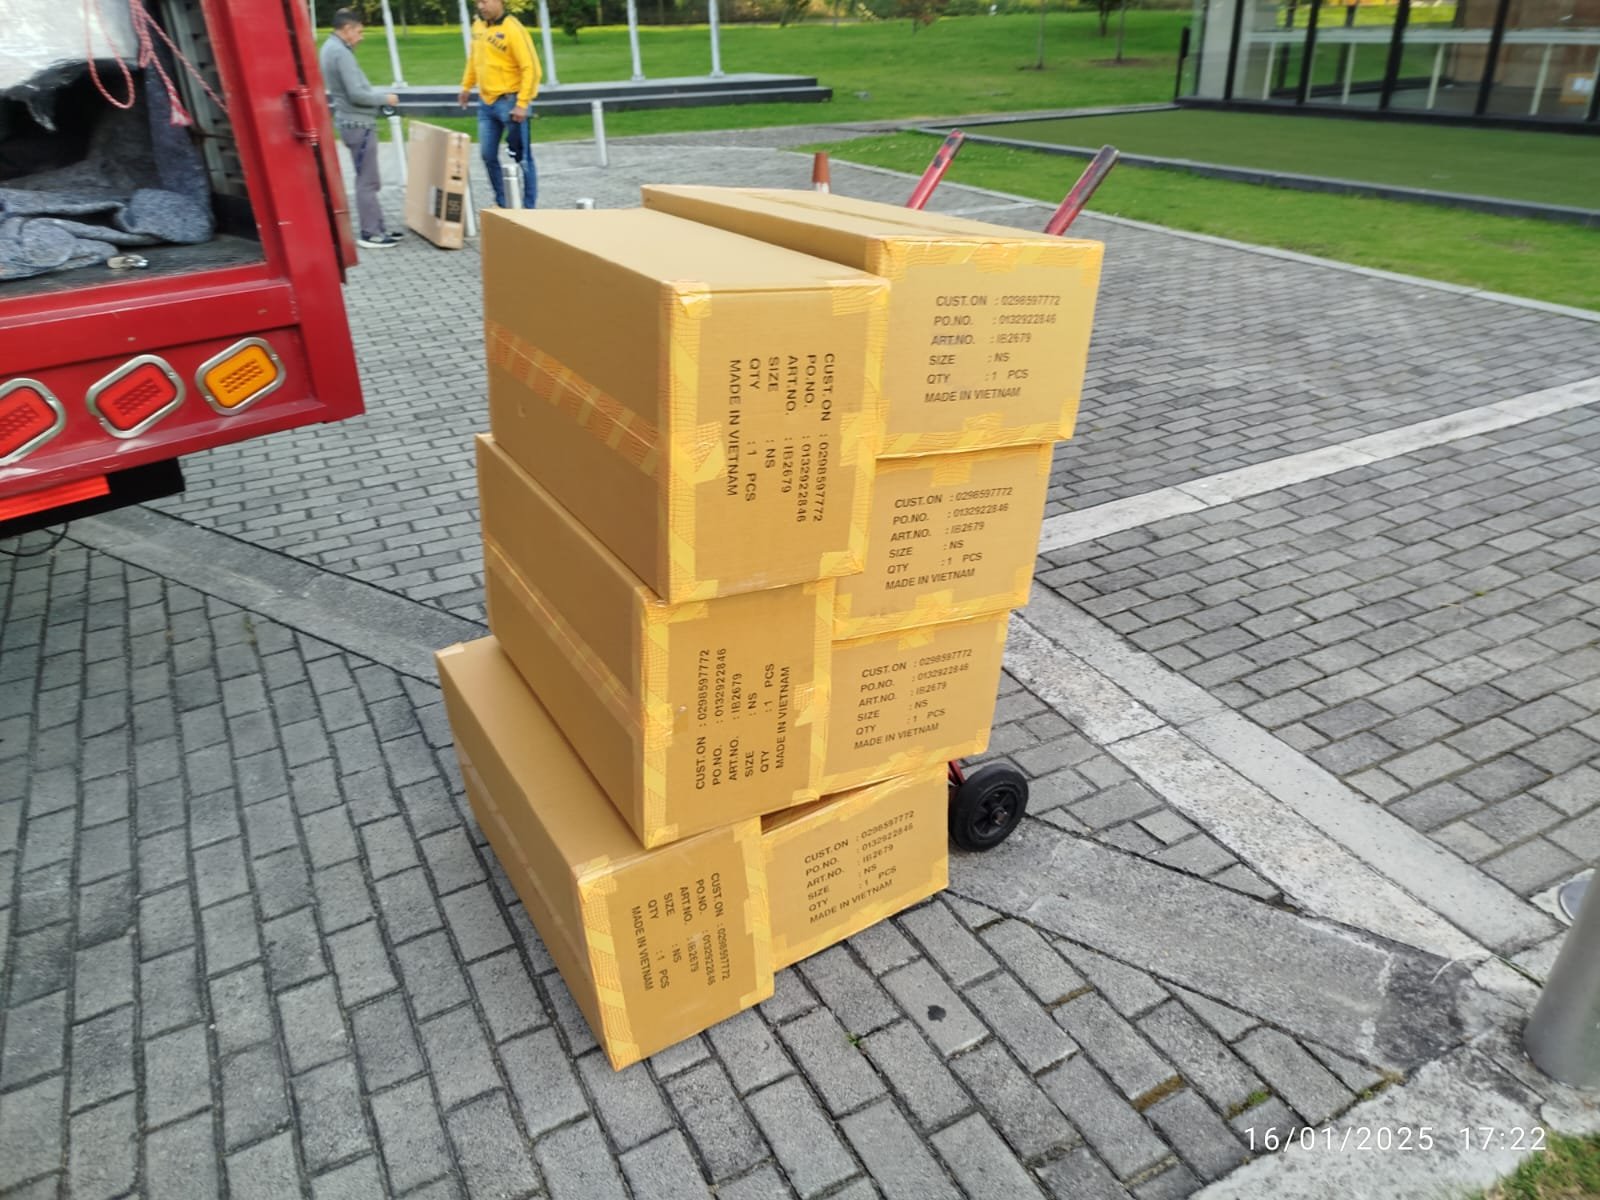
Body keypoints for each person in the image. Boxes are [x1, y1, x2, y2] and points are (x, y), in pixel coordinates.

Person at [319, 9, 402, 249]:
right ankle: (371, 233)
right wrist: (385, 98)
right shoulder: (340, 53)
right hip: (358, 124)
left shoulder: (330, 48)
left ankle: (378, 227)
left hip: (350, 122)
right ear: (347, 29)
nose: (361, 37)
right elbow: (356, 94)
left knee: (367, 178)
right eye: (359, 31)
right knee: (368, 181)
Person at [458, 0, 541, 209]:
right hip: (486, 104)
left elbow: (530, 68)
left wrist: (522, 103)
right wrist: (466, 86)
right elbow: (474, 60)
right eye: (477, 2)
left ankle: (529, 207)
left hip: (510, 102)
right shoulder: (478, 26)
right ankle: (504, 202)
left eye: (485, 1)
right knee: (487, 155)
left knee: (522, 158)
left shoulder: (513, 29)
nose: (480, 6)